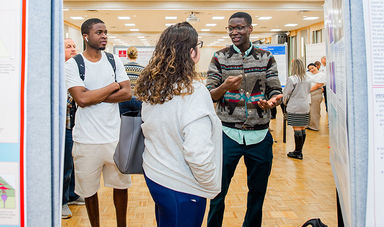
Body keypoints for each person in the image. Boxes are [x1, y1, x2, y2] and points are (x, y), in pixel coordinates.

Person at [135, 22, 222, 227]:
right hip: (182, 185)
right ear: (192, 52)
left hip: (156, 175)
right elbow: (197, 153)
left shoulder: (153, 88)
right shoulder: (195, 92)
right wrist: (210, 184)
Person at [206, 12, 283, 227]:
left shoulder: (266, 57)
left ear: (250, 29)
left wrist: (273, 100)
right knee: (217, 192)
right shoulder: (219, 57)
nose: (234, 32)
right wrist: (225, 87)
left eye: (239, 28)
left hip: (259, 136)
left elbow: (274, 88)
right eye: (230, 28)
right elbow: (209, 93)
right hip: (227, 135)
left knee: (257, 194)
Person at [65, 18, 132, 227]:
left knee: (121, 187)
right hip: (86, 140)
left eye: (105, 32)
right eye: (99, 32)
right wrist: (112, 86)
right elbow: (82, 99)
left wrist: (95, 94)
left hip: (114, 137)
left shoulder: (113, 60)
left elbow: (127, 93)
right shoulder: (73, 64)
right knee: (89, 192)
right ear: (86, 36)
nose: (104, 36)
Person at [62, 38, 85, 219]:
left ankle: (72, 195)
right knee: (65, 166)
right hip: (63, 126)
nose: (73, 49)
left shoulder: (75, 70)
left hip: (74, 125)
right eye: (68, 47)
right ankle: (62, 202)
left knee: (73, 162)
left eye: (74, 46)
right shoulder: (58, 72)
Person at [283, 59, 311, 160]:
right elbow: (308, 91)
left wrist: (284, 102)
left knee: (297, 129)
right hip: (305, 105)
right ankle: (300, 150)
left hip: (295, 106)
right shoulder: (307, 78)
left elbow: (286, 93)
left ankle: (298, 152)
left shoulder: (292, 79)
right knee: (302, 128)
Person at [119, 46, 144, 115]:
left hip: (124, 99)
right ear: (137, 55)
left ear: (127, 54)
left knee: (123, 122)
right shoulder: (142, 69)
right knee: (138, 122)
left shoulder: (122, 68)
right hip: (138, 99)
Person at [306, 63, 326, 131]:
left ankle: (314, 126)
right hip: (309, 94)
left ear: (316, 67)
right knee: (309, 110)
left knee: (315, 111)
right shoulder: (309, 75)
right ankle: (309, 124)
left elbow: (318, 85)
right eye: (310, 69)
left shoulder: (321, 75)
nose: (311, 70)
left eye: (312, 68)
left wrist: (308, 90)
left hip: (316, 93)